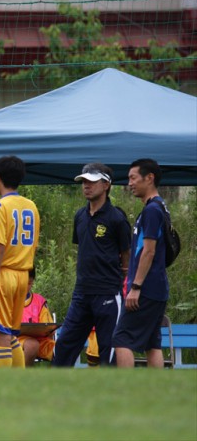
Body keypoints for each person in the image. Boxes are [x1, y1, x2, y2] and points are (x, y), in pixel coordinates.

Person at [52, 163, 130, 367]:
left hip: (108, 293)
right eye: (84, 181)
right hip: (82, 293)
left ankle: (110, 395)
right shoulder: (80, 215)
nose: (86, 186)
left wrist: (122, 277)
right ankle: (52, 392)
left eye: (92, 182)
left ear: (106, 185)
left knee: (109, 349)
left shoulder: (117, 218)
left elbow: (126, 254)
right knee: (64, 346)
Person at [113, 158, 170, 368]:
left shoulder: (152, 211)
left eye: (133, 178)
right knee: (152, 343)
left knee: (122, 338)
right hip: (157, 289)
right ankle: (155, 392)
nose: (130, 183)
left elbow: (149, 251)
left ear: (150, 178)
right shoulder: (158, 207)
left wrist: (135, 287)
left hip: (146, 289)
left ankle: (128, 393)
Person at [0, 156, 39, 368]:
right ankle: (19, 379)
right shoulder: (31, 206)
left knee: (0, 336)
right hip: (23, 274)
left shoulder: (0, 206)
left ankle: (0, 390)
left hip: (4, 274)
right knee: (11, 335)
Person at [18, 268, 56, 366]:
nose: (26, 286)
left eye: (29, 283)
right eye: (23, 282)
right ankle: (22, 377)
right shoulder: (9, 300)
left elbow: (48, 326)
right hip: (16, 340)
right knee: (32, 345)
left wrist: (51, 330)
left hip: (41, 341)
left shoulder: (39, 301)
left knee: (64, 349)